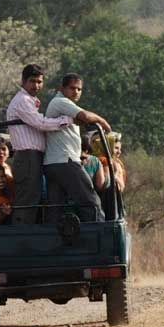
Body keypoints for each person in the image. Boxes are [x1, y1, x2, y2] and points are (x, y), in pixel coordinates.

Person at [4, 64, 73, 224]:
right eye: (32, 81)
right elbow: (40, 123)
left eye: (39, 82)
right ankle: (21, 240)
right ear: (23, 81)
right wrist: (66, 120)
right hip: (27, 157)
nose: (36, 85)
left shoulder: (30, 101)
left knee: (35, 198)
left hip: (34, 157)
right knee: (27, 201)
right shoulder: (22, 100)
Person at [43, 73, 111, 223]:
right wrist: (103, 121)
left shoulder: (66, 106)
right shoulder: (60, 101)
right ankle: (99, 237)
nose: (76, 92)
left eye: (79, 89)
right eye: (72, 88)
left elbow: (80, 120)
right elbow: (85, 116)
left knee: (56, 207)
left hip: (53, 163)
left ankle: (52, 243)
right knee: (91, 202)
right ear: (62, 88)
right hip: (65, 161)